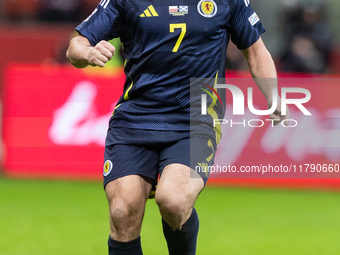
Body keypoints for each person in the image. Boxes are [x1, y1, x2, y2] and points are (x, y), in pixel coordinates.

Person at [66, 0, 289, 254]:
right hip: (136, 116)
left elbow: (255, 50)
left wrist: (273, 96)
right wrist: (87, 53)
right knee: (122, 211)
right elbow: (76, 45)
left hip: (196, 116)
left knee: (173, 201)